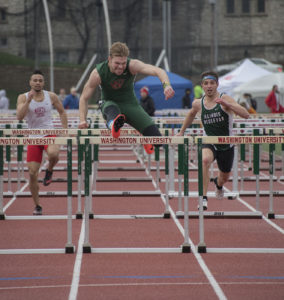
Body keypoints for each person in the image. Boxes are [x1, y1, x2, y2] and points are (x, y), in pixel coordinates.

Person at [78, 42, 175, 154]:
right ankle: (114, 125)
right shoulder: (98, 73)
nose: (120, 67)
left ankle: (142, 135)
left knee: (158, 141)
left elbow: (158, 71)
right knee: (112, 111)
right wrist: (82, 120)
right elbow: (84, 98)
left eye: (123, 63)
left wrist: (166, 85)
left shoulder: (132, 65)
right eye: (117, 63)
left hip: (130, 104)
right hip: (109, 102)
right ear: (109, 59)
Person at [177, 71, 249, 210]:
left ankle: (218, 184)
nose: (209, 86)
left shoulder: (225, 98)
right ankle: (203, 197)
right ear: (202, 86)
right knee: (204, 160)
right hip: (209, 141)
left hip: (226, 144)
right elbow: (191, 114)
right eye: (206, 83)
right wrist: (181, 132)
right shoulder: (198, 103)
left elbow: (245, 115)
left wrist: (227, 104)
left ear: (217, 84)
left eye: (212, 83)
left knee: (224, 177)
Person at [16, 70, 68, 215]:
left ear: (43, 83)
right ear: (30, 82)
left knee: (53, 154)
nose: (37, 82)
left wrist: (65, 129)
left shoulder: (51, 96)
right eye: (35, 80)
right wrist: (28, 101)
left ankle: (50, 169)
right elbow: (19, 117)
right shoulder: (23, 97)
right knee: (32, 173)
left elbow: (62, 112)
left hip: (48, 133)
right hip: (33, 137)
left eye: (40, 80)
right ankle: (37, 205)